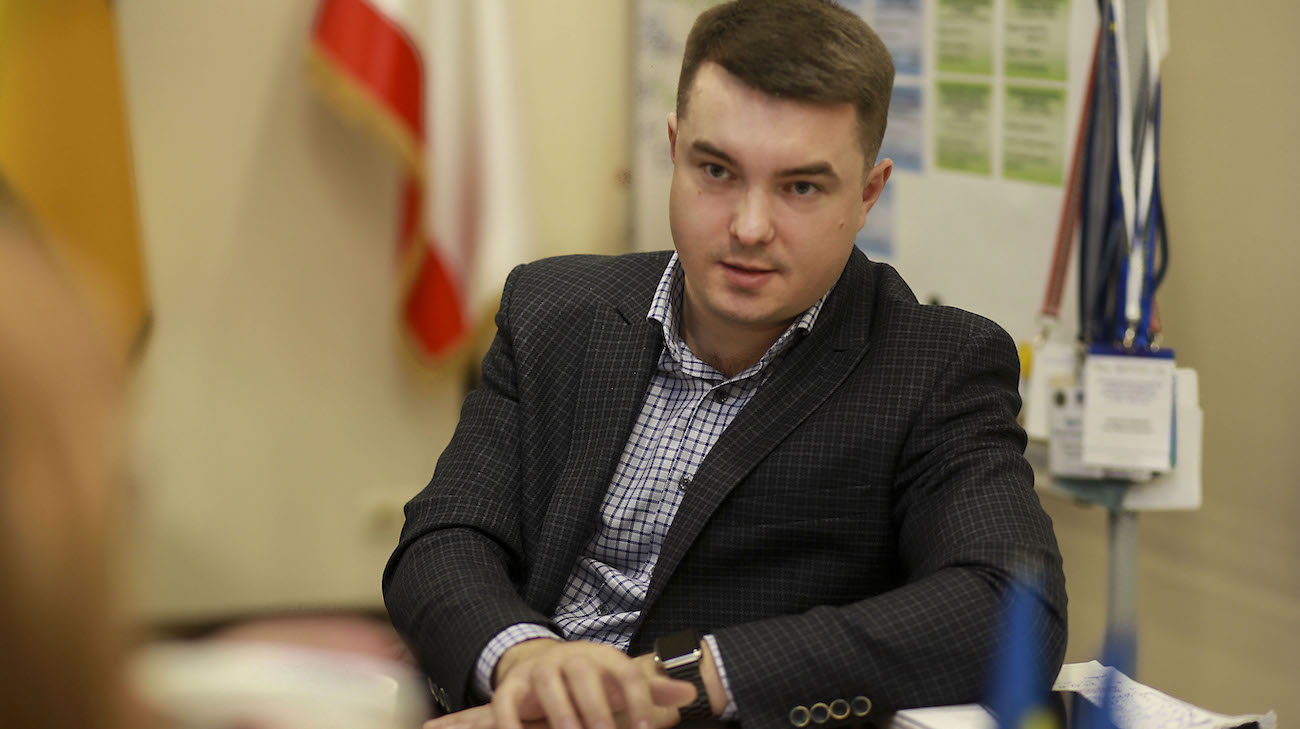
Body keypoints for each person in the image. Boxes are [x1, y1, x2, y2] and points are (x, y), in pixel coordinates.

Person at [383, 2, 1067, 729]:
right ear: (674, 148)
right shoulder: (554, 309)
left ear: (868, 192)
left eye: (800, 187)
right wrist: (527, 662)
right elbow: (446, 538)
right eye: (716, 170)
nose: (749, 227)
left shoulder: (935, 366)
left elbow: (1011, 607)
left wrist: (681, 678)